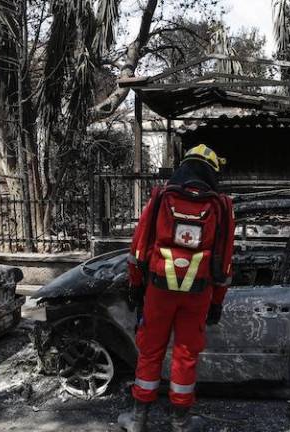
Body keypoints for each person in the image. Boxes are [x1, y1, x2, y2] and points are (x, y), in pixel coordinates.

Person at [118, 144, 235, 432]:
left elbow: (139, 248)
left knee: (150, 350)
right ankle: (180, 423)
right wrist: (217, 302)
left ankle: (138, 420)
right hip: (198, 293)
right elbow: (225, 262)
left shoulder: (161, 196)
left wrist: (135, 286)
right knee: (186, 353)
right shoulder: (221, 204)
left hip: (159, 291)